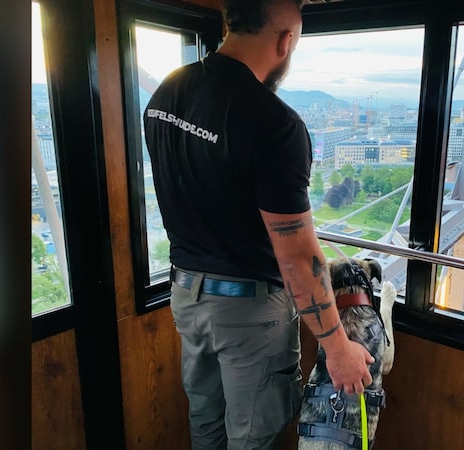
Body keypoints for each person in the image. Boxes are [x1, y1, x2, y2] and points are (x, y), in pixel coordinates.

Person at [142, 1, 374, 449]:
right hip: (246, 312)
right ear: (286, 41)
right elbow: (298, 257)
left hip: (187, 297)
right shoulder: (274, 123)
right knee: (254, 438)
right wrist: (338, 348)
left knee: (205, 425)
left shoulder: (167, 93)